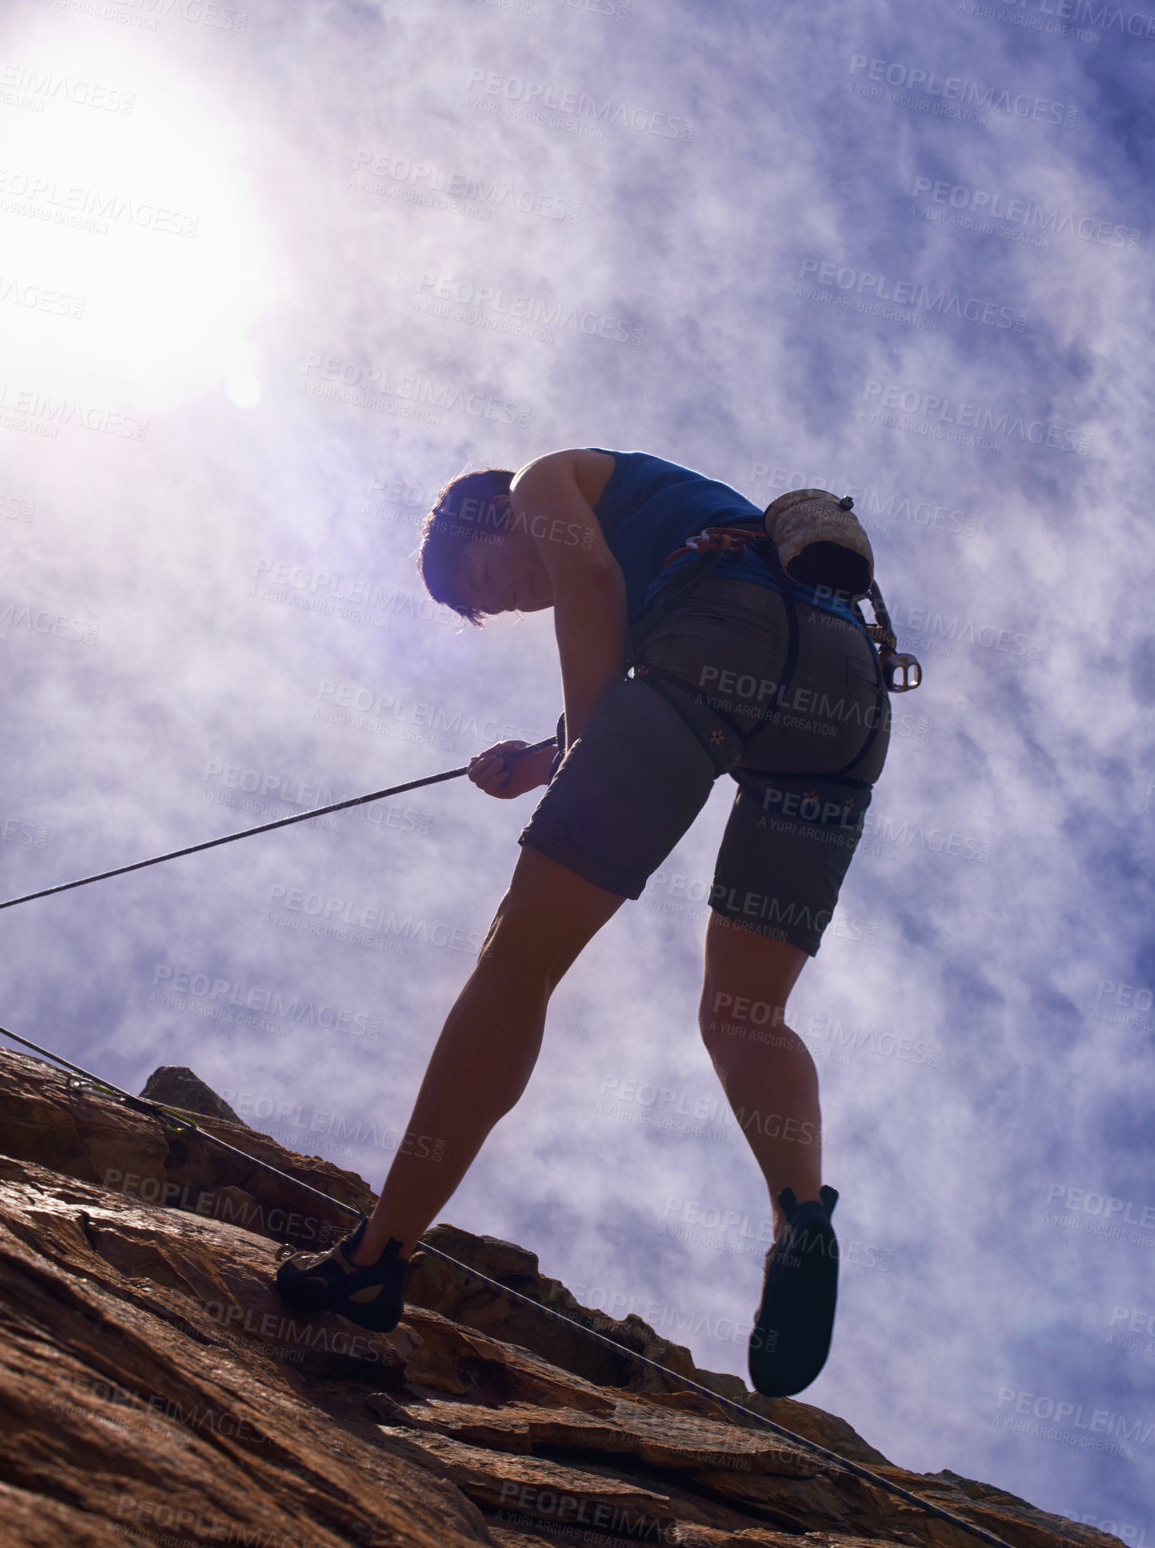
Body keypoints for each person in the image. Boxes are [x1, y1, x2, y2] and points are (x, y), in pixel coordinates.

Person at [275, 447, 892, 1397]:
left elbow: (595, 584)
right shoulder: (652, 507)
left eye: (495, 574)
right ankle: (797, 1217)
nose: (524, 595)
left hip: (713, 641)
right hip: (842, 694)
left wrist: (580, 764)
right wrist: (548, 752)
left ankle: (376, 1254)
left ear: (485, 513)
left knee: (516, 961)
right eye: (508, 603)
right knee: (744, 1009)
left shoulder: (538, 477)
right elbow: (639, 656)